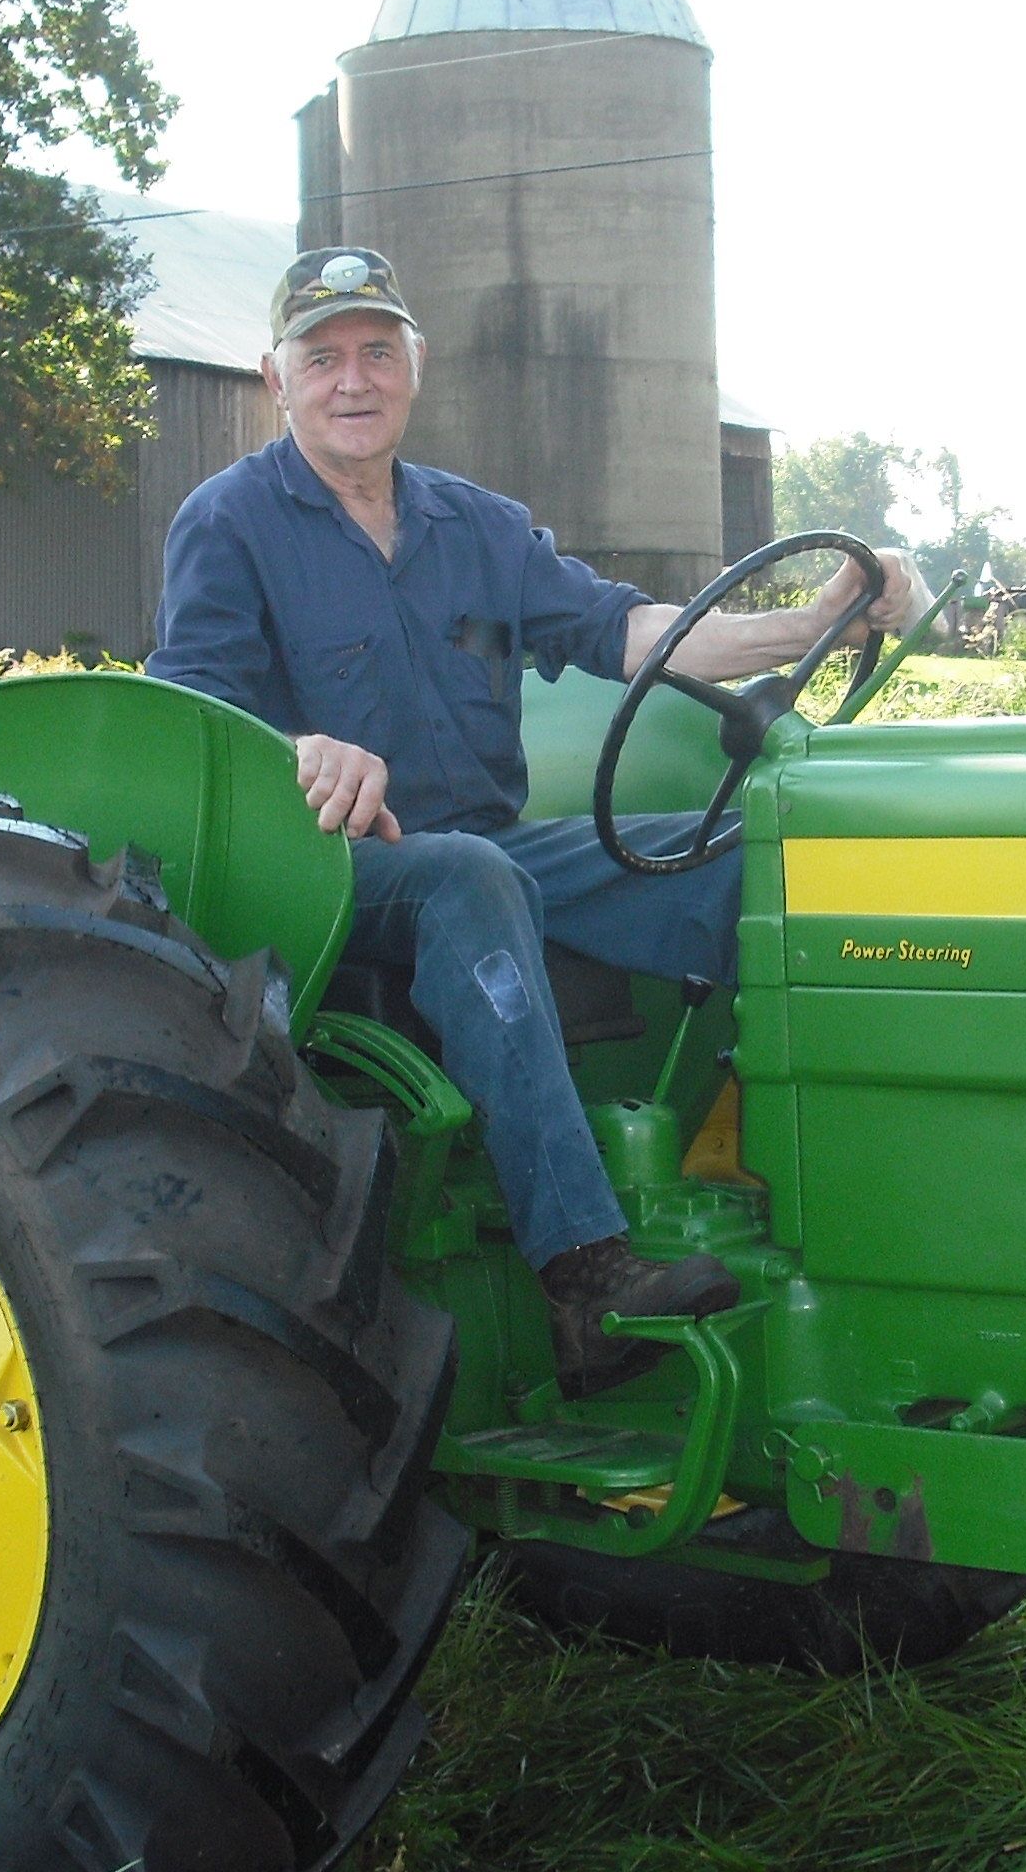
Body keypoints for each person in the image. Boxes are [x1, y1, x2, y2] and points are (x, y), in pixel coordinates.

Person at [147, 247, 928, 1397]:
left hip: (487, 849)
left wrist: (817, 623)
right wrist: (298, 751)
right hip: (323, 874)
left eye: (375, 352)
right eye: (324, 358)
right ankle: (584, 1273)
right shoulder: (230, 523)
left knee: (736, 867)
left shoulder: (476, 527)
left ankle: (800, 1189)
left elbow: (639, 638)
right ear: (278, 378)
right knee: (468, 878)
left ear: (414, 366)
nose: (352, 379)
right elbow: (190, 727)